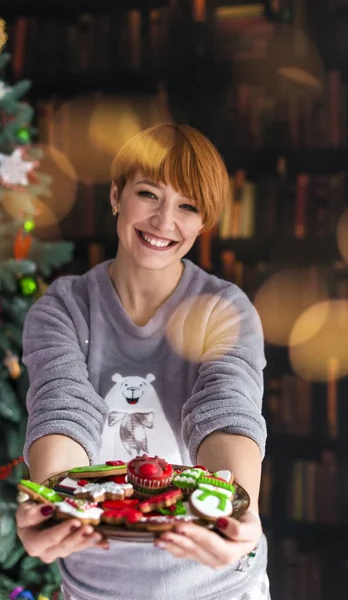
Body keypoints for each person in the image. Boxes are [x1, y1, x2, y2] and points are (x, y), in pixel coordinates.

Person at [16, 123, 270, 600]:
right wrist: (53, 499)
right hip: (96, 586)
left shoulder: (225, 309)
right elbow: (61, 411)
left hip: (219, 585)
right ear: (116, 194)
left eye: (188, 206)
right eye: (149, 194)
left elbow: (228, 411)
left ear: (203, 221)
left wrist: (239, 512)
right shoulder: (62, 308)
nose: (164, 221)